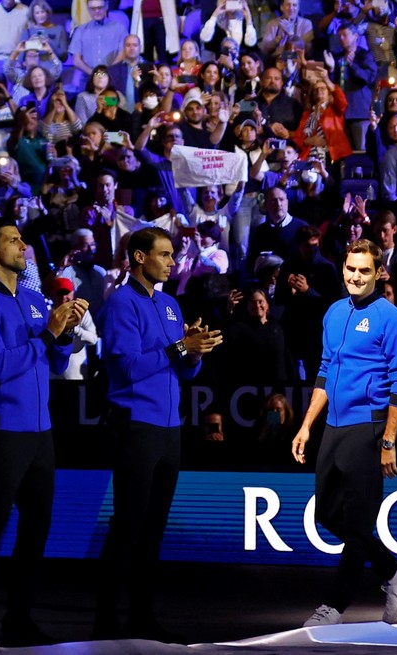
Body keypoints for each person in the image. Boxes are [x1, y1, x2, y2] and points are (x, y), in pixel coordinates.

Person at [0, 218, 87, 654]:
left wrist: (63, 332)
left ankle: (18, 621)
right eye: (12, 240)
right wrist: (48, 332)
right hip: (3, 430)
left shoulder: (32, 299)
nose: (22, 245)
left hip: (40, 431)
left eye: (21, 239)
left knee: (36, 529)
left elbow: (54, 360)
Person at [92, 226, 222, 641]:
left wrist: (194, 351)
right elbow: (126, 367)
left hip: (169, 429)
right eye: (164, 255)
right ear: (138, 258)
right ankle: (106, 616)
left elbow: (185, 369)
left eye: (171, 255)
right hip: (135, 425)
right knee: (129, 523)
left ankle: (141, 615)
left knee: (154, 527)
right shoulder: (120, 305)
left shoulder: (169, 304)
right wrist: (181, 349)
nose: (171, 261)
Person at [291, 238, 397, 627]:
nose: (356, 276)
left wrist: (389, 441)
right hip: (333, 426)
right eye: (351, 268)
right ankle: (396, 571)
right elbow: (325, 369)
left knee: (360, 521)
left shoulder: (393, 318)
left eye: (365, 270)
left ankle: (335, 605)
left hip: (370, 425)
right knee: (328, 513)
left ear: (379, 273)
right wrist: (306, 425)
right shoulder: (333, 313)